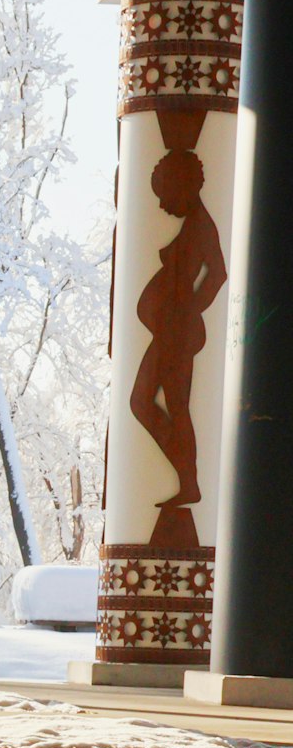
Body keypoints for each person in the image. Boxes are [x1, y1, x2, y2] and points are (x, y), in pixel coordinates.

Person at [130, 148, 227, 509]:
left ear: (183, 187)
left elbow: (217, 274)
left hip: (177, 334)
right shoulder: (194, 223)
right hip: (170, 331)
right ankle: (187, 477)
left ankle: (189, 482)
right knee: (144, 402)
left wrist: (188, 312)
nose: (163, 207)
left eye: (166, 197)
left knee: (174, 406)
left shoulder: (202, 225)